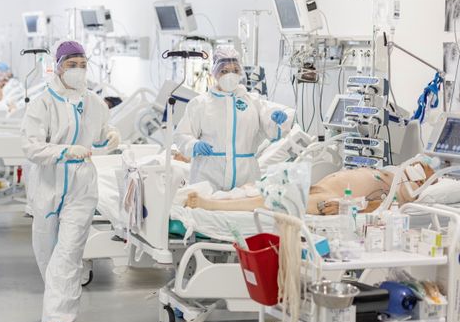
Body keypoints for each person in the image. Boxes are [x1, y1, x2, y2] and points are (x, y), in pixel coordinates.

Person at [21, 40, 120, 322]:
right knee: (47, 254)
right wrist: (65, 152)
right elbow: (31, 147)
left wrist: (110, 138)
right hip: (48, 184)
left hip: (81, 186)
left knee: (69, 252)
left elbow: (101, 138)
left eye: (82, 64)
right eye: (71, 64)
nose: (78, 70)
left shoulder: (94, 102)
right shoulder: (42, 103)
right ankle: (56, 307)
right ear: (59, 66)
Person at [174, 47, 294, 191]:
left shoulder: (253, 101)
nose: (230, 75)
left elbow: (271, 129)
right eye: (224, 71)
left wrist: (277, 121)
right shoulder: (200, 104)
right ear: (215, 72)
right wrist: (194, 145)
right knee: (207, 208)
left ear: (240, 72)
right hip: (208, 176)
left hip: (245, 177)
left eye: (235, 71)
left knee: (243, 209)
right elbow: (182, 134)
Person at [185, 162, 435, 215]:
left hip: (334, 198)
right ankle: (217, 198)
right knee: (264, 190)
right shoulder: (396, 171)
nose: (418, 168)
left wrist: (346, 208)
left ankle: (212, 204)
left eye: (422, 172)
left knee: (274, 202)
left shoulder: (403, 193)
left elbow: (376, 206)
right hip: (322, 185)